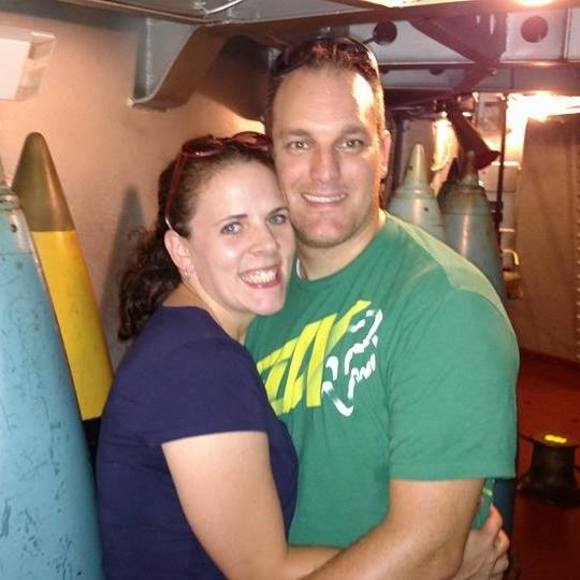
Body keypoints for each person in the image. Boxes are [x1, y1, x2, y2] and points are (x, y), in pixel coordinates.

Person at [245, 37, 518, 579]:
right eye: (299, 143)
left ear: (384, 152)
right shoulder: (256, 288)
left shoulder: (446, 306)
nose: (324, 172)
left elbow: (426, 550)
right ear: (270, 150)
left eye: (350, 143)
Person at [96, 134, 339, 579]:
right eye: (233, 227)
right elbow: (266, 572)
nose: (267, 244)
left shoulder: (188, 336)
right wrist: (434, 559)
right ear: (181, 250)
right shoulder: (198, 365)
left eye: (276, 218)